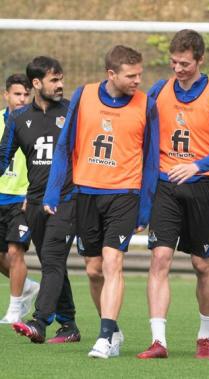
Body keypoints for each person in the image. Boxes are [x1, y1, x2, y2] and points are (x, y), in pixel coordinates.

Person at [44, 45, 159, 358]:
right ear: (112, 74)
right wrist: (54, 190)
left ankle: (105, 336)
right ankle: (113, 328)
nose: (138, 80)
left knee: (112, 261)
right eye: (131, 75)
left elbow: (151, 160)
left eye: (140, 74)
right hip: (86, 193)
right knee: (94, 270)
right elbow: (65, 144)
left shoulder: (147, 104)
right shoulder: (84, 95)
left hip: (125, 194)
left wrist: (145, 206)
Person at [137, 29, 209, 360]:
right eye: (173, 62)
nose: (178, 69)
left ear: (200, 60)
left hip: (202, 188)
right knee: (160, 257)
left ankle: (206, 336)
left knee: (201, 264)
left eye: (185, 64)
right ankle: (158, 340)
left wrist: (196, 166)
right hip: (166, 187)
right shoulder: (159, 91)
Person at [2, 59, 83, 344]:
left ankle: (39, 322)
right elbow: (3, 158)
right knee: (52, 262)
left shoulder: (74, 112)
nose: (60, 85)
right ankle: (70, 325)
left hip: (68, 199)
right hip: (34, 203)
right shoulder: (18, 118)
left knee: (52, 258)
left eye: (61, 79)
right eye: (53, 80)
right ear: (36, 84)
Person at [0, 73, 39, 324]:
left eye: (26, 94)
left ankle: (14, 309)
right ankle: (27, 286)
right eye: (17, 94)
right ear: (6, 95)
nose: (22, 99)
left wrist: (33, 193)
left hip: (22, 199)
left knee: (16, 252)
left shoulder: (36, 123)